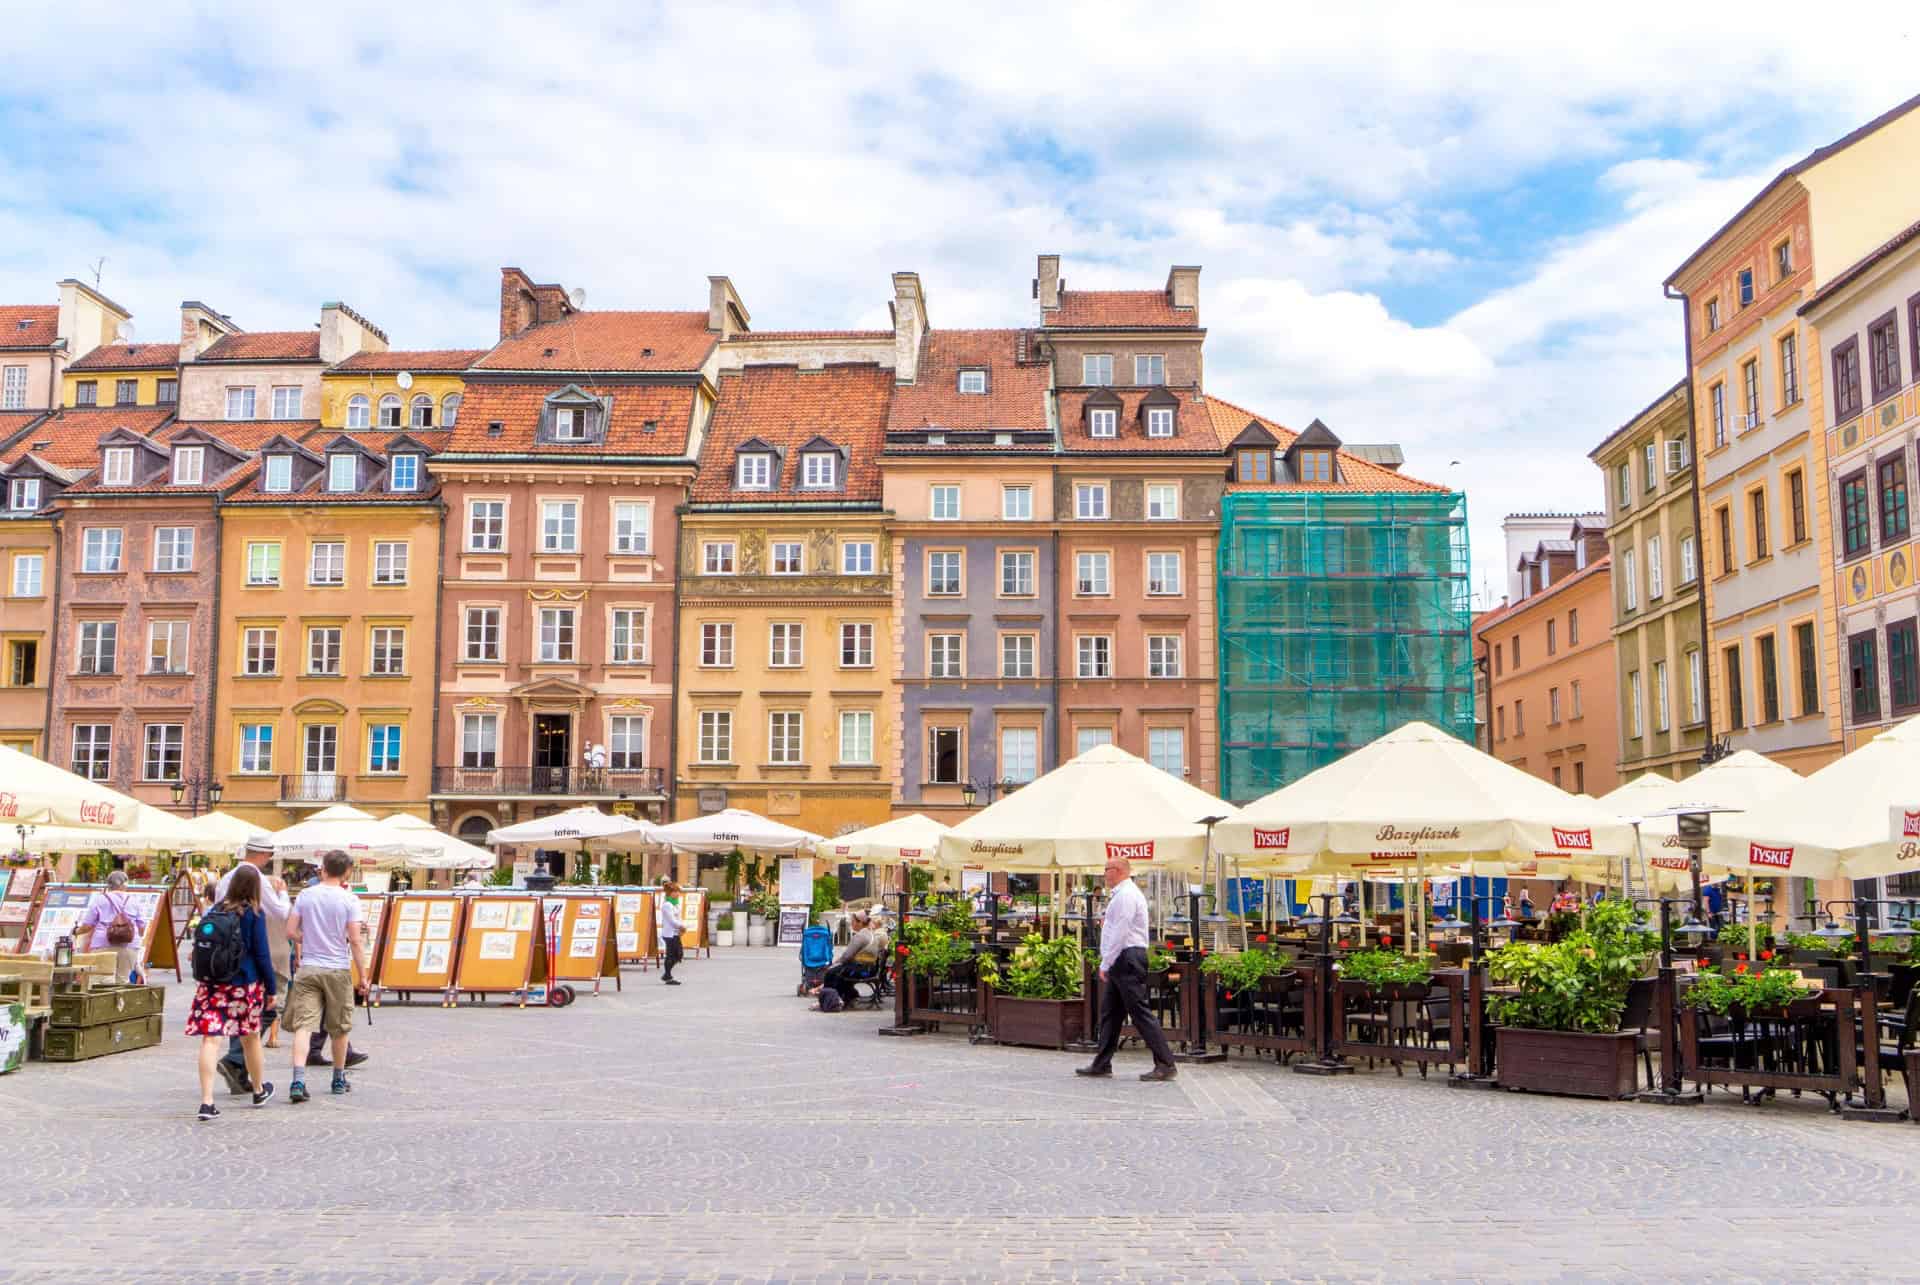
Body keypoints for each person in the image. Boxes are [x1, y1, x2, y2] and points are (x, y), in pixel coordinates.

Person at [186, 863, 276, 1120]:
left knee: (211, 1040)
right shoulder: (254, 914)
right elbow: (262, 955)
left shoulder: (216, 909)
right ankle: (258, 1090)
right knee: (251, 1037)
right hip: (243, 985)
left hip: (212, 983)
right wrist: (271, 988)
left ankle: (206, 1102)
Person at [1076, 855, 1177, 1082]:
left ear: (1119, 870)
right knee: (1110, 1013)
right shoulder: (1122, 895)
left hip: (1127, 957)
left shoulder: (1126, 896)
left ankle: (1166, 1063)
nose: (1104, 873)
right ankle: (1102, 1063)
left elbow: (1120, 931)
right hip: (1123, 958)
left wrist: (1106, 962)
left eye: (1107, 869)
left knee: (1139, 1013)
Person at [284, 850, 369, 1102]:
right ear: (347, 872)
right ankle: (338, 1078)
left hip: (309, 966)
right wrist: (363, 975)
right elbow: (354, 940)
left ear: (323, 869)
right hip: (337, 968)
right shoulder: (349, 900)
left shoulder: (305, 895)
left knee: (304, 1026)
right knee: (339, 1027)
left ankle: (298, 1080)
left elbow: (290, 931)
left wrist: (307, 939)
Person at [76, 870, 147, 984]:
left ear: (109, 885)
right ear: (125, 884)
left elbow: (87, 926)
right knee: (122, 982)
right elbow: (142, 928)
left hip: (103, 945)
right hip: (129, 946)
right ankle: (119, 1001)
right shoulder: (134, 901)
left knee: (99, 981)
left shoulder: (100, 900)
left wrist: (76, 931)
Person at [818, 909, 879, 1004]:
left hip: (862, 970)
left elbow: (846, 957)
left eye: (853, 921)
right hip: (870, 968)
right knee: (838, 970)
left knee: (831, 972)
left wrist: (833, 965)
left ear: (860, 922)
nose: (851, 923)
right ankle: (849, 995)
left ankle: (829, 1000)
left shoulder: (860, 936)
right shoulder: (869, 933)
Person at [657, 881, 684, 985]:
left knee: (678, 954)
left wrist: (681, 927)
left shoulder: (675, 903)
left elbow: (678, 918)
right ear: (670, 893)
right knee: (671, 955)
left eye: (678, 891)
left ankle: (666, 974)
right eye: (676, 891)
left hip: (676, 933)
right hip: (669, 934)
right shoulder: (667, 905)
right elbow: (672, 920)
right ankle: (668, 976)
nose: (678, 894)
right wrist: (682, 926)